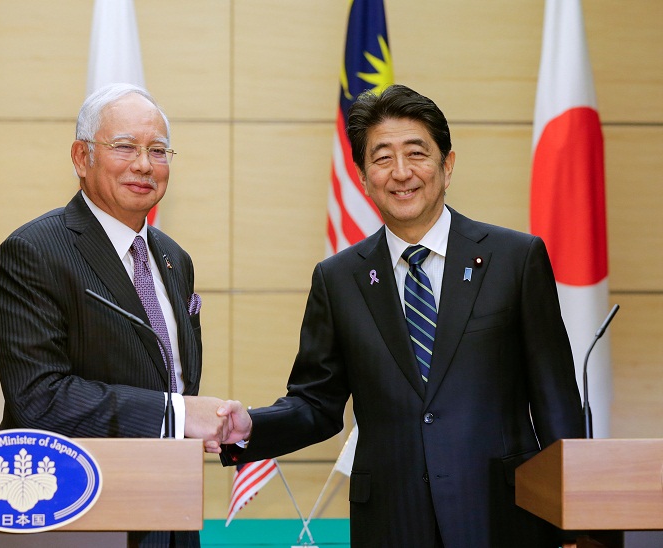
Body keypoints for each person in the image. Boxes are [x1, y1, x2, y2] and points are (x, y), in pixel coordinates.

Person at [214, 84, 584, 547]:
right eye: (382, 157)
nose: (401, 172)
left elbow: (555, 401)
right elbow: (317, 402)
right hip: (391, 521)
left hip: (501, 516)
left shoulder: (515, 258)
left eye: (417, 153)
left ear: (447, 166)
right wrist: (250, 427)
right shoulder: (339, 278)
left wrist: (575, 520)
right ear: (364, 177)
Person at [0, 83, 226, 547]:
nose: (144, 164)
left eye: (158, 150)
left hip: (171, 512)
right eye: (124, 147)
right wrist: (175, 415)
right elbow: (38, 399)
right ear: (81, 157)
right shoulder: (34, 252)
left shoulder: (175, 259)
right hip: (79, 515)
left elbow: (171, 377)